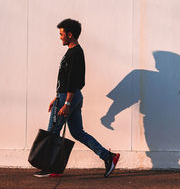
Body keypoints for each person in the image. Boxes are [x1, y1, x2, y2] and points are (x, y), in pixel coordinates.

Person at [34, 18, 119, 178]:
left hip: (69, 98)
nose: (60, 37)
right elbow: (66, 80)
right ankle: (108, 157)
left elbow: (74, 80)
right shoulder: (73, 52)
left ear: (70, 34)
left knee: (53, 131)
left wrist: (66, 102)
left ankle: (50, 167)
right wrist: (57, 97)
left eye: (61, 34)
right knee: (78, 132)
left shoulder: (75, 53)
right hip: (68, 96)